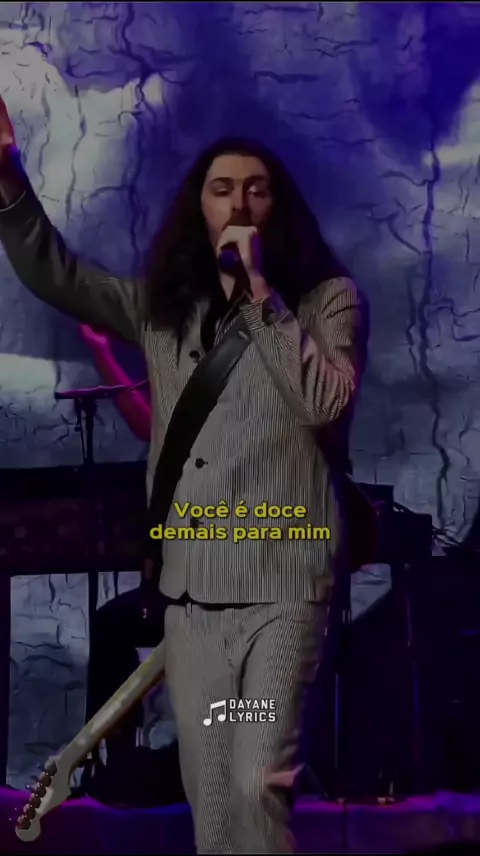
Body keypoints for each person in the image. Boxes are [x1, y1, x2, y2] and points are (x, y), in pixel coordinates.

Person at [0, 94, 367, 854]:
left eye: (256, 188)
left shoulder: (326, 302)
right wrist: (7, 181)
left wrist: (259, 297)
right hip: (196, 597)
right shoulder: (164, 312)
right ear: (199, 208)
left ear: (278, 207)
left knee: (256, 781)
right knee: (215, 799)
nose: (239, 202)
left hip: (283, 584)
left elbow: (324, 402)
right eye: (221, 188)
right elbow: (58, 274)